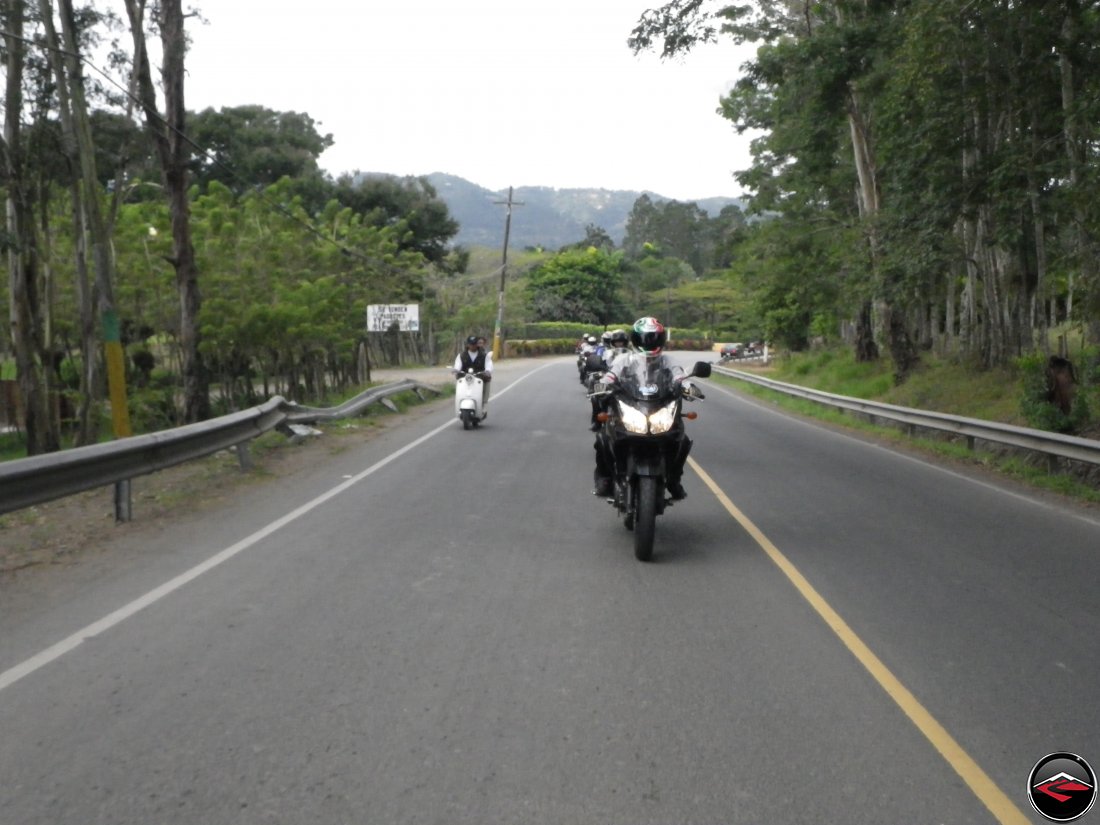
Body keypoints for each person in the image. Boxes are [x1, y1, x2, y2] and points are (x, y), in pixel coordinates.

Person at [592, 317, 693, 500]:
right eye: (646, 338)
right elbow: (611, 376)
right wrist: (602, 385)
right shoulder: (625, 360)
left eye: (654, 338)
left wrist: (688, 387)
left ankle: (674, 479)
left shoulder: (668, 360)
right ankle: (605, 479)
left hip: (659, 406)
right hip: (633, 406)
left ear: (661, 339)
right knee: (603, 439)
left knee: (683, 440)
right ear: (636, 339)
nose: (649, 342)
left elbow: (680, 377)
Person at [454, 334, 492, 410]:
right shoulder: (461, 355)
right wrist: (456, 370)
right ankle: (460, 400)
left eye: (474, 344)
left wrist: (487, 371)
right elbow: (458, 364)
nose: (472, 346)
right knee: (459, 380)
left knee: (487, 379)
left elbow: (489, 364)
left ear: (477, 344)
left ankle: (483, 402)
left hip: (479, 376)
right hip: (465, 377)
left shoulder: (484, 355)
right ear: (468, 345)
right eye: (471, 344)